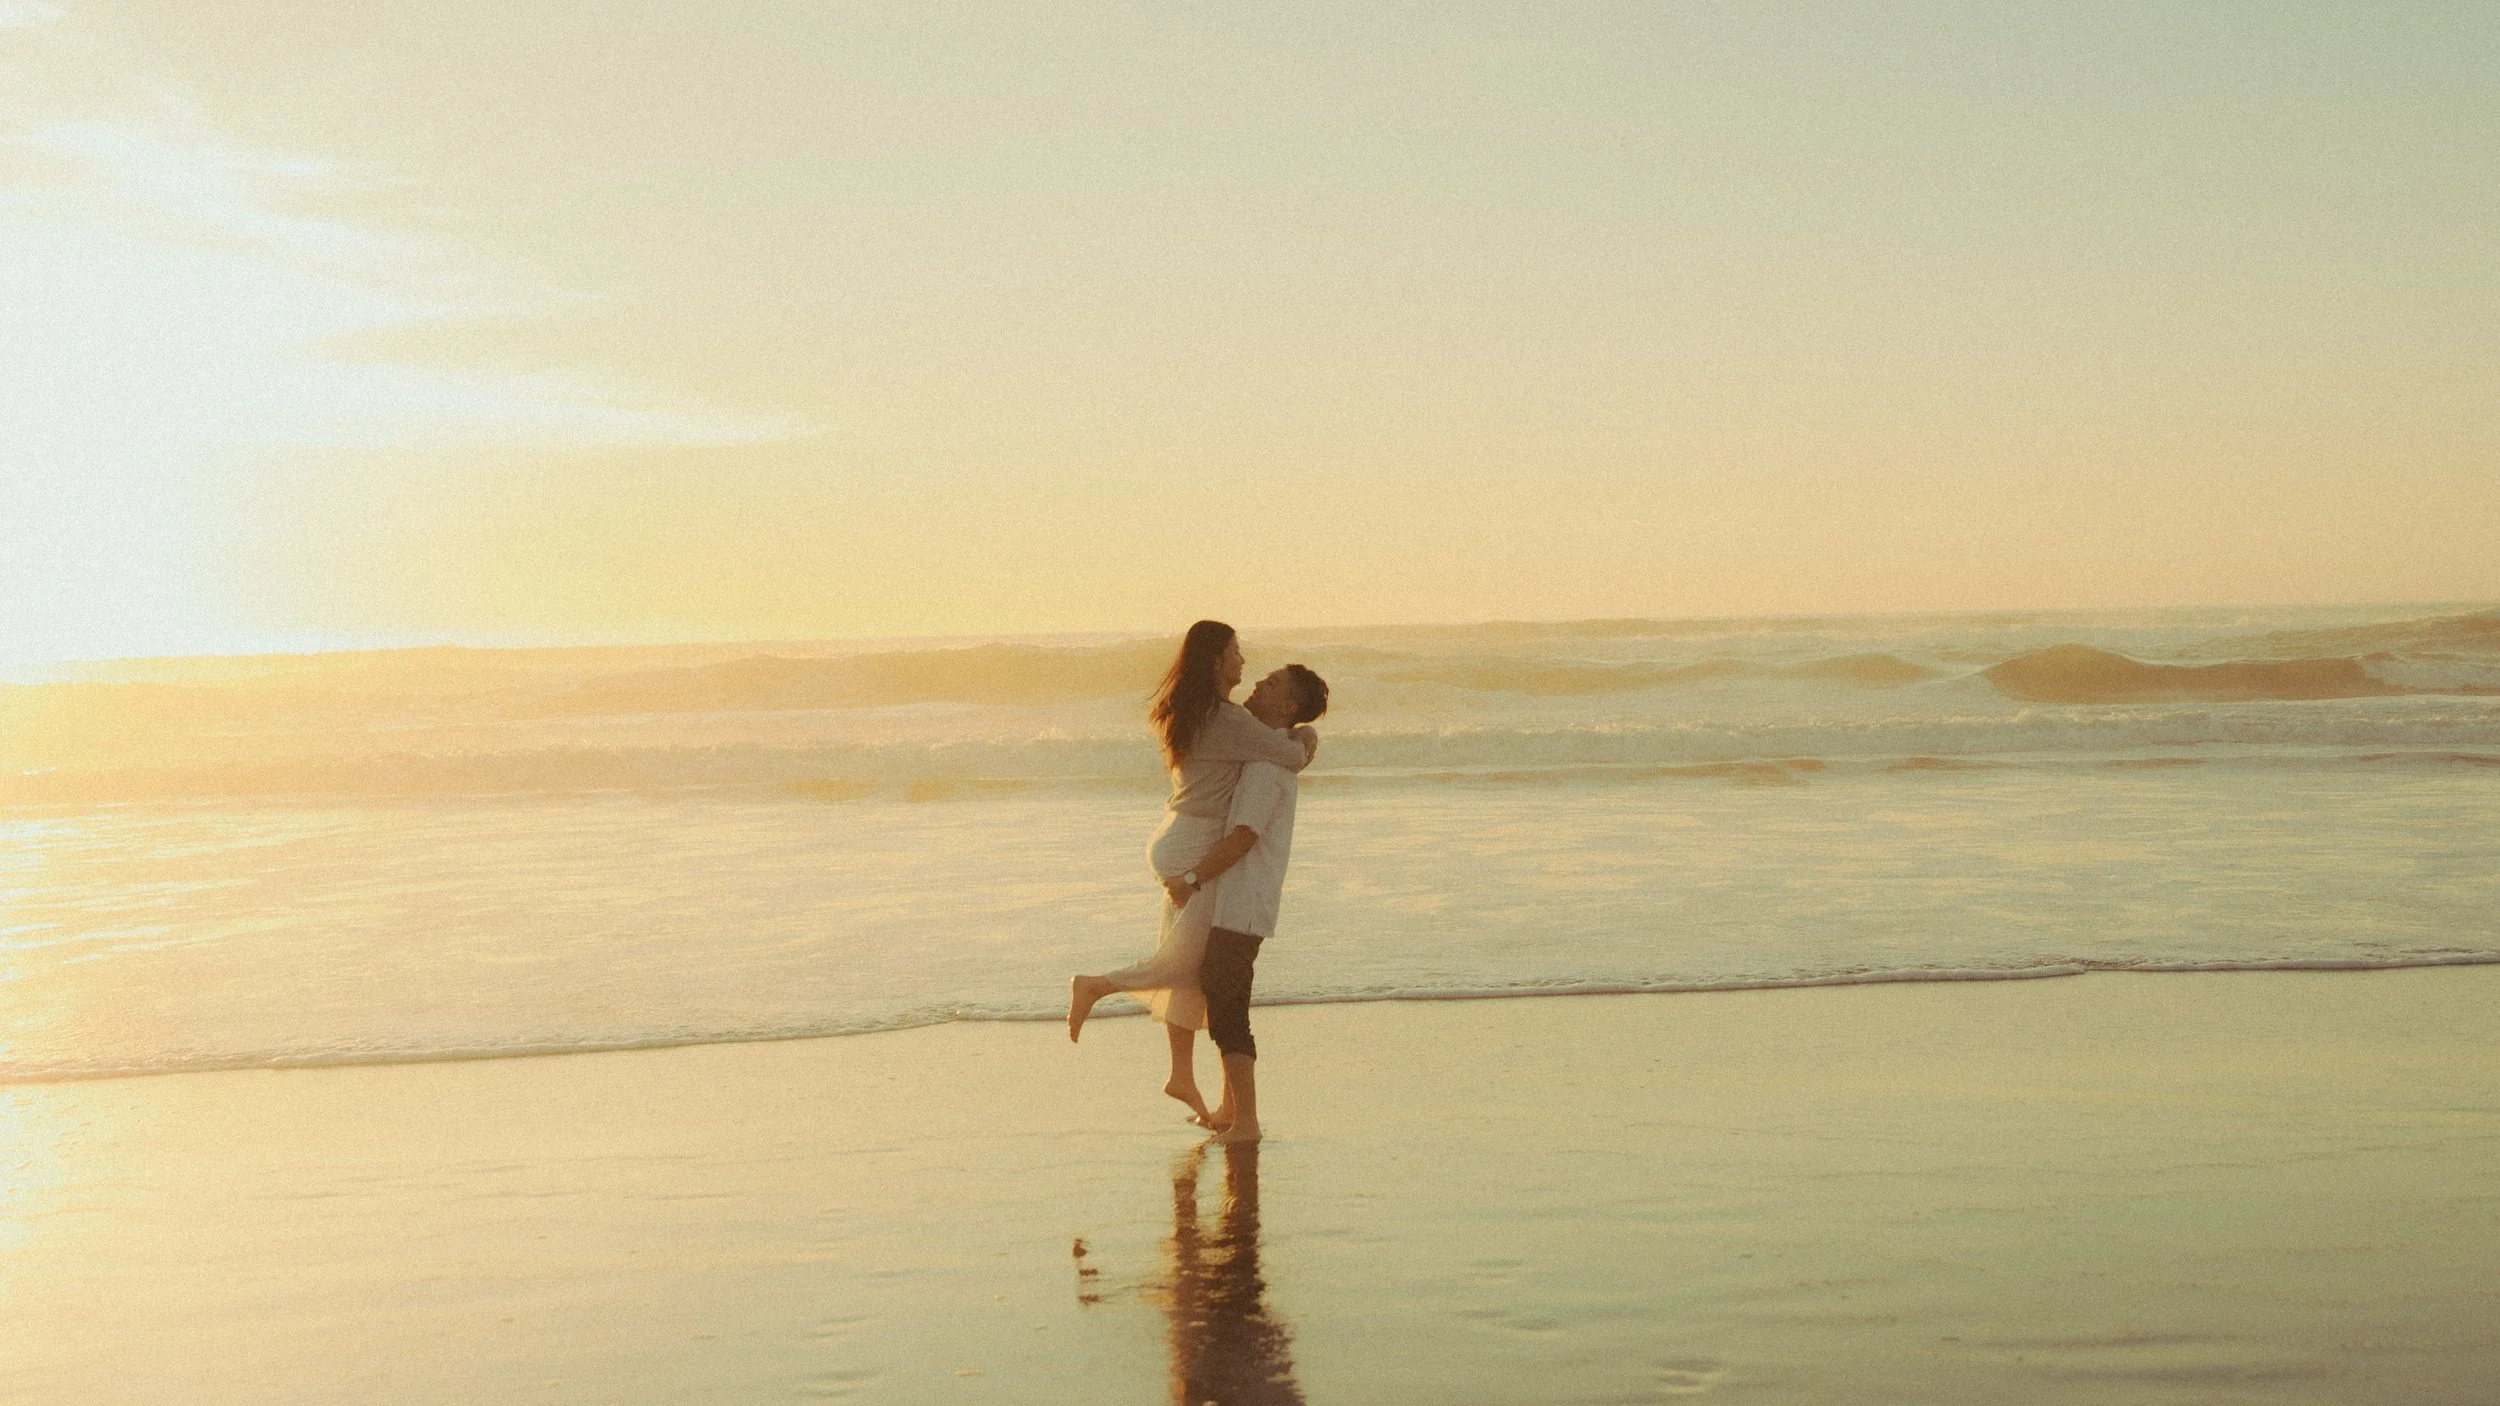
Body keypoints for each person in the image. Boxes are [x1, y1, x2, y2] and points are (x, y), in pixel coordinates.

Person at [1068, 622, 1317, 1127]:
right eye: (1237, 654)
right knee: (1184, 963)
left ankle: (1182, 1073)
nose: (1244, 666)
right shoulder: (1228, 719)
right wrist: (1309, 733)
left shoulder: (1192, 711)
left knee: (1194, 966)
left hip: (1177, 837)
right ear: (1215, 662)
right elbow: (1290, 756)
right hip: (1198, 846)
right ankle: (1096, 985)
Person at [1177, 664, 1328, 1145]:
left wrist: (1192, 877)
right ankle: (1230, 1109)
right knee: (1224, 1000)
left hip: (1242, 903)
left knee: (1228, 1008)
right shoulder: (1274, 757)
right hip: (1243, 901)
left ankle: (1247, 1123)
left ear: (1286, 708)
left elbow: (1244, 837)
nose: (1259, 683)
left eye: (1274, 683)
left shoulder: (1266, 768)